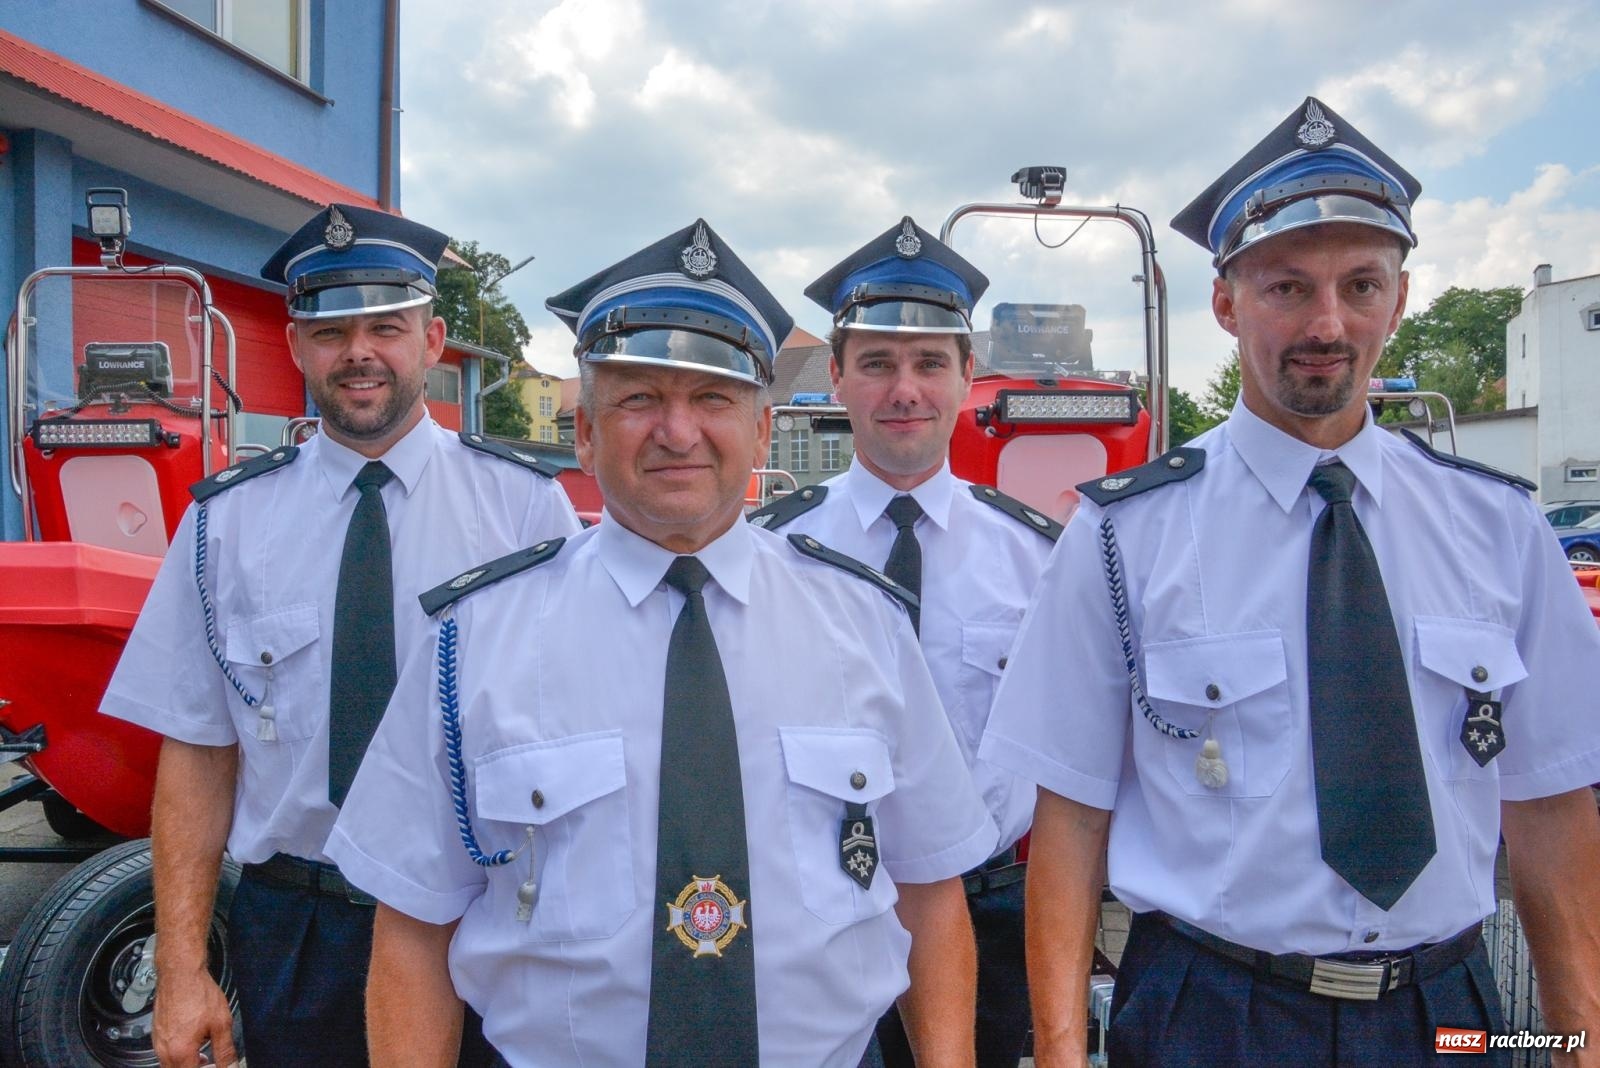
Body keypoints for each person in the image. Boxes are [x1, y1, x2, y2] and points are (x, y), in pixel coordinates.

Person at [979, 97, 1600, 1067]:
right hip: (1210, 1015)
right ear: (1226, 303)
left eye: (1361, 285)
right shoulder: (1122, 536)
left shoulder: (1500, 529)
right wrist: (1060, 1052)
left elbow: (1551, 804)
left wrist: (1577, 1042)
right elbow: (1071, 818)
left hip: (1448, 1018)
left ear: (1399, 298)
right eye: (1286, 287)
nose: (1327, 322)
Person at [326, 219, 997, 1067]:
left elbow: (931, 896)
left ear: (761, 431)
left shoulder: (864, 624)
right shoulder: (473, 641)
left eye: (713, 399)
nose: (678, 433)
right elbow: (413, 928)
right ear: (584, 433)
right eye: (639, 398)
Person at [101, 203, 581, 1068]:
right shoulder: (225, 525)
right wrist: (180, 969)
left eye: (386, 328)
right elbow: (199, 753)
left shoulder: (525, 509)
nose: (359, 352)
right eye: (331, 332)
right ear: (295, 347)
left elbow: (576, 733)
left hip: (480, 915)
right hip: (299, 926)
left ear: (433, 341)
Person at [749, 216, 1056, 1068]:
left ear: (967, 376)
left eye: (929, 363)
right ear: (837, 378)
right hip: (816, 910)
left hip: (991, 913)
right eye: (878, 363)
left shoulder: (1040, 559)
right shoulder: (769, 550)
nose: (904, 389)